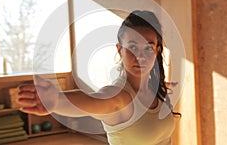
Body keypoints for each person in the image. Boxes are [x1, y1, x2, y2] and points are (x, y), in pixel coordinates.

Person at [17, 10, 180, 145]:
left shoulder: (154, 89)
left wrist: (161, 86)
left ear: (158, 50)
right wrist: (58, 100)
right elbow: (95, 100)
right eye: (132, 47)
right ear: (119, 50)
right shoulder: (119, 98)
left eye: (148, 48)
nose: (140, 56)